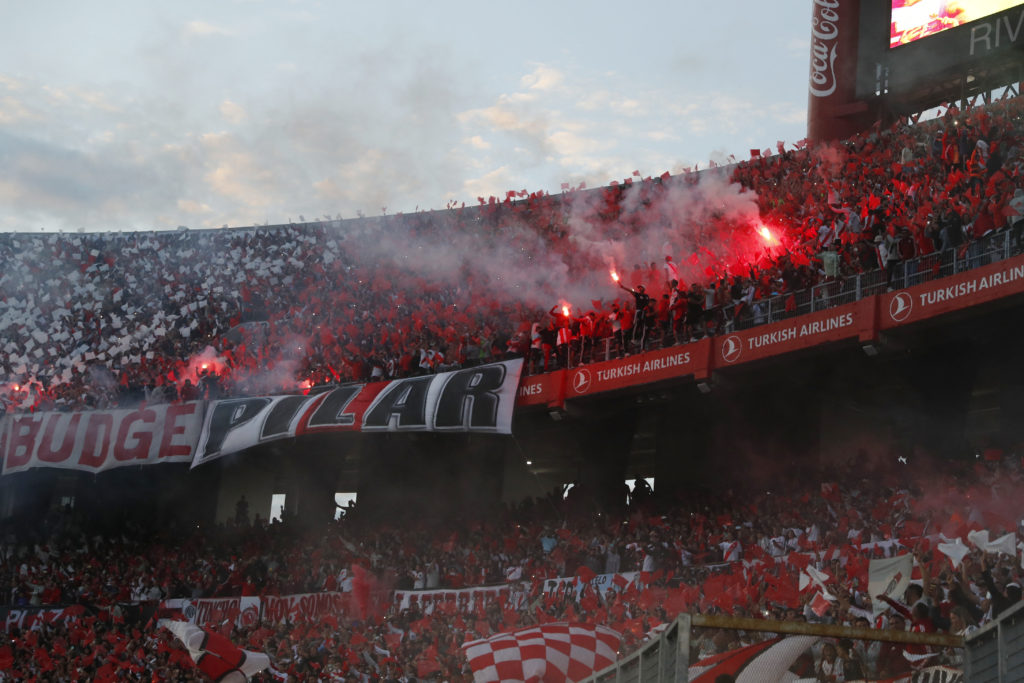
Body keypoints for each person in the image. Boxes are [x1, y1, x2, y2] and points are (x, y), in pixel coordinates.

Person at [618, 282, 652, 351]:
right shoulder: (637, 295)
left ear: (644, 288)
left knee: (643, 325)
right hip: (638, 311)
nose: (639, 288)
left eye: (641, 287)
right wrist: (623, 287)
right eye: (639, 288)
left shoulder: (646, 296)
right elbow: (630, 291)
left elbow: (648, 304)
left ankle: (643, 338)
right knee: (636, 324)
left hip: (644, 312)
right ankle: (633, 338)